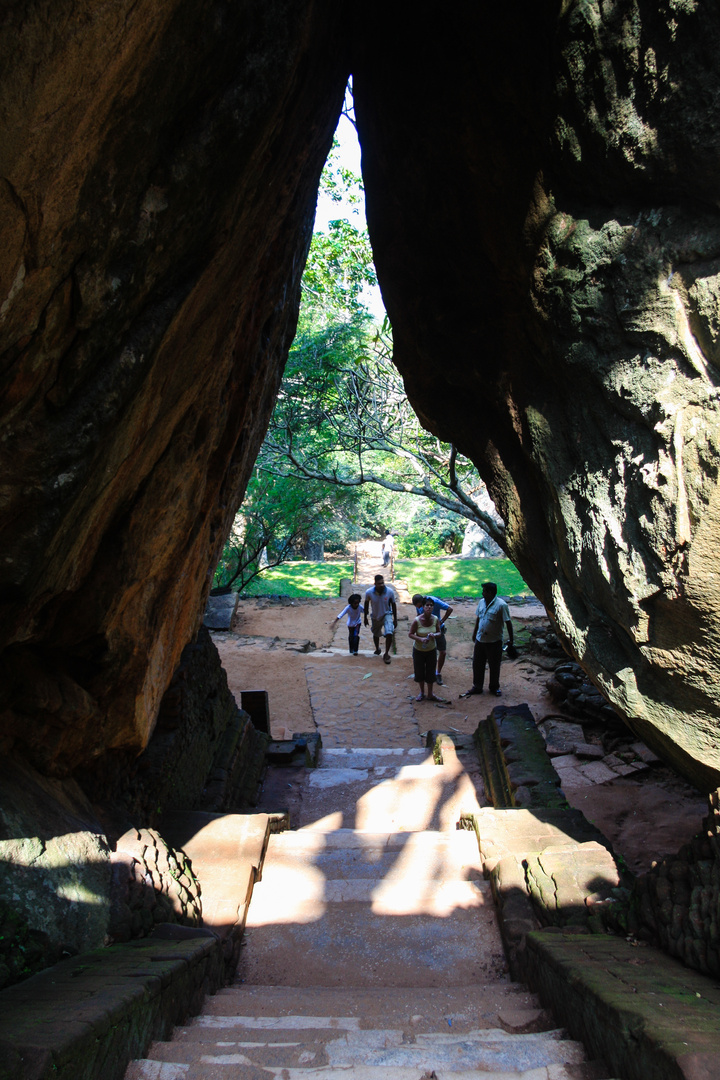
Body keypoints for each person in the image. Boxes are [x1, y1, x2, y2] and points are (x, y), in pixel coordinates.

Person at [461, 582, 514, 698]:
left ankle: (494, 687)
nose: (482, 593)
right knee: (477, 664)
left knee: (494, 666)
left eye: (484, 591)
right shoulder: (481, 602)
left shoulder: (501, 605)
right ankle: (477, 686)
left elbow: (508, 622)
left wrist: (511, 640)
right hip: (480, 640)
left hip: (494, 641)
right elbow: (478, 618)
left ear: (490, 593)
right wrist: (475, 633)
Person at [411, 592, 454, 685]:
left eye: (419, 606)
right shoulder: (419, 605)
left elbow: (450, 609)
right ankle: (422, 672)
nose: (419, 608)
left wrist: (441, 621)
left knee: (442, 652)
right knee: (423, 651)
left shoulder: (434, 601)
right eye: (418, 607)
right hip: (424, 630)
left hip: (437, 629)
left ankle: (438, 673)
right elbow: (418, 615)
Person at [408, 598, 442, 701]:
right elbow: (410, 634)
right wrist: (420, 639)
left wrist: (434, 635)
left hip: (431, 650)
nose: (429, 607)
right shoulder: (417, 620)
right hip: (418, 650)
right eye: (427, 605)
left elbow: (439, 633)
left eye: (431, 605)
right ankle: (422, 693)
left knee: (431, 671)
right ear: (423, 607)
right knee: (419, 671)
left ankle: (430, 694)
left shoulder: (435, 619)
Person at [363, 574, 397, 664]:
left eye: (382, 583)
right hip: (375, 616)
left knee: (389, 632)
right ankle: (377, 648)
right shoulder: (369, 592)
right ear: (375, 584)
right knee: (376, 633)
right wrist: (365, 617)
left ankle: (386, 653)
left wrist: (395, 619)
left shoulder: (389, 592)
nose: (381, 585)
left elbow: (393, 605)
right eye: (379, 583)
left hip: (387, 614)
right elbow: (366, 604)